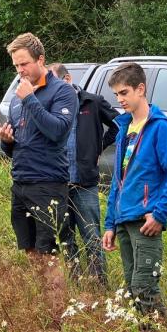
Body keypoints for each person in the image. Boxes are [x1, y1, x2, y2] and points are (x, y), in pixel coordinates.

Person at [0, 33, 78, 320]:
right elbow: (17, 146)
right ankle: (45, 310)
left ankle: (58, 320)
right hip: (21, 183)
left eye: (24, 64)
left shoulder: (62, 92)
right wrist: (6, 140)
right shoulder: (16, 98)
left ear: (41, 60)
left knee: (49, 252)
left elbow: (57, 131)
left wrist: (30, 100)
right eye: (16, 66)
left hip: (48, 183)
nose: (20, 71)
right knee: (29, 250)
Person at [100, 63, 167, 316]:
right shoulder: (123, 129)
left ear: (141, 89)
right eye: (116, 95)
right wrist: (110, 224)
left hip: (146, 222)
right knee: (131, 289)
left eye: (124, 93)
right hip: (123, 220)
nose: (120, 100)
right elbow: (119, 180)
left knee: (144, 287)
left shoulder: (160, 127)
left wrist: (160, 214)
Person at [50, 62, 118, 287]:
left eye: (54, 81)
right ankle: (77, 286)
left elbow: (120, 124)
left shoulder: (92, 102)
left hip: (85, 183)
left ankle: (100, 286)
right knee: (66, 239)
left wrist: (98, 147)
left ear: (67, 79)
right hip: (58, 184)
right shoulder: (50, 104)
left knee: (91, 237)